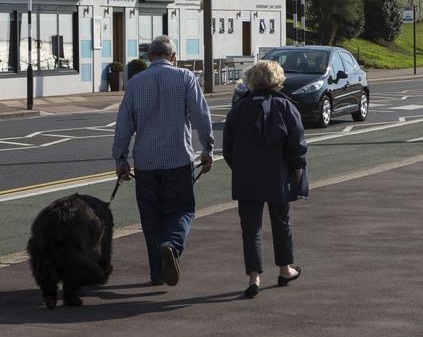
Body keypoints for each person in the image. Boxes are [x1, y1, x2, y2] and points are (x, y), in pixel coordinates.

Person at [112, 36, 213, 287]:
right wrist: (207, 148)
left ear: (149, 57)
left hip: (146, 163)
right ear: (174, 57)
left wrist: (121, 158)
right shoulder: (185, 78)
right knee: (182, 210)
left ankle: (157, 273)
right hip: (178, 159)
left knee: (151, 218)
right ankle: (172, 245)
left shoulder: (135, 82)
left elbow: (124, 125)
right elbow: (201, 116)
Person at [223, 60, 306, 298]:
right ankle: (284, 269)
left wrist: (238, 167)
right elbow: (297, 144)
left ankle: (253, 278)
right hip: (278, 174)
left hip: (246, 176)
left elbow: (228, 147)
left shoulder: (238, 109)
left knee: (250, 229)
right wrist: (297, 168)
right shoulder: (286, 106)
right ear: (277, 80)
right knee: (281, 223)